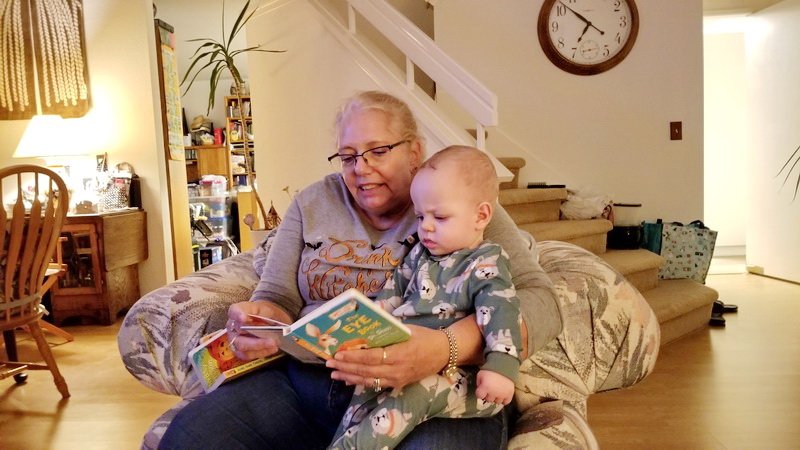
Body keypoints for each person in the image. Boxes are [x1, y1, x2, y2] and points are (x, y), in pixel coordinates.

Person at [159, 91, 560, 449]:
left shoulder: (457, 201)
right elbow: (277, 296)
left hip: (432, 387)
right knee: (191, 437)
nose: (360, 168)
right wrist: (261, 320)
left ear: (415, 152)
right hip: (307, 381)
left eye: (378, 151)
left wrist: (445, 347)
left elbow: (543, 304)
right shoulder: (312, 203)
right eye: (348, 156)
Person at [329, 145, 522, 450]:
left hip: (466, 379)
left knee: (414, 394)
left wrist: (501, 366)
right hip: (404, 360)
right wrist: (363, 327)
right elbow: (391, 296)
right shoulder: (420, 253)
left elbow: (502, 312)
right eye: (420, 216)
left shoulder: (486, 262)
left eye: (440, 217)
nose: (426, 227)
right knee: (363, 393)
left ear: (481, 215)